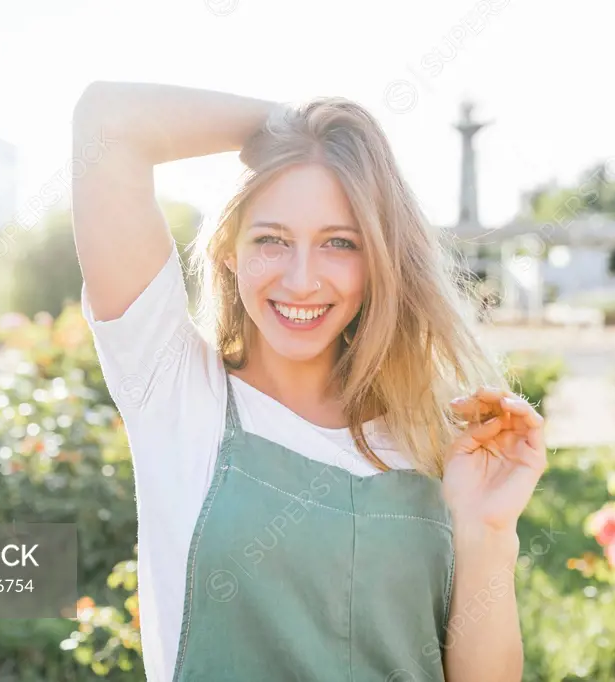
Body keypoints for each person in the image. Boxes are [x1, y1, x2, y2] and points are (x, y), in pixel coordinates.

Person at [72, 82, 546, 682]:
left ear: (378, 261)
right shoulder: (173, 391)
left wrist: (486, 532)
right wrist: (300, 131)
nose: (301, 280)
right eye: (271, 239)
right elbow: (109, 120)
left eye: (338, 244)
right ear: (229, 252)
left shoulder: (435, 437)